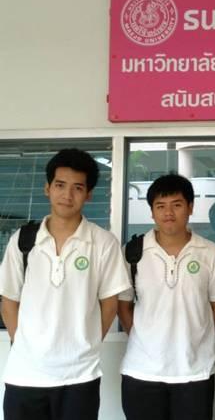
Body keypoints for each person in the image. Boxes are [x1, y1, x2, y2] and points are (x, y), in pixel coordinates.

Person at [0, 148, 131, 420]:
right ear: (47, 188)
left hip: (79, 376)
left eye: (77, 188)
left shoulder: (103, 243)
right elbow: (9, 300)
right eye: (60, 185)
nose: (67, 195)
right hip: (25, 375)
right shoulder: (23, 240)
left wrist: (87, 345)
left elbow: (109, 304)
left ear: (89, 194)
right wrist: (23, 344)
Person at [118, 174, 215, 420]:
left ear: (190, 207)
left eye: (176, 205)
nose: (168, 213)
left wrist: (196, 337)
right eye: (160, 206)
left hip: (195, 373)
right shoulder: (133, 252)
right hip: (141, 372)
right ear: (152, 212)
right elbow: (123, 306)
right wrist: (144, 338)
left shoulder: (211, 253)